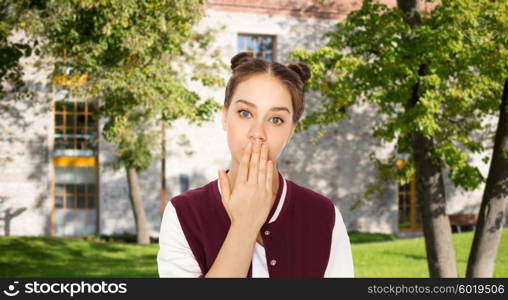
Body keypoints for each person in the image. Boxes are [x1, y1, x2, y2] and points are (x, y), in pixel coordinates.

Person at [157, 52, 354, 278]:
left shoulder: (324, 216)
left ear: (291, 131)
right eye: (245, 113)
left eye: (276, 119)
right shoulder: (183, 214)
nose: (257, 133)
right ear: (224, 117)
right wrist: (245, 226)